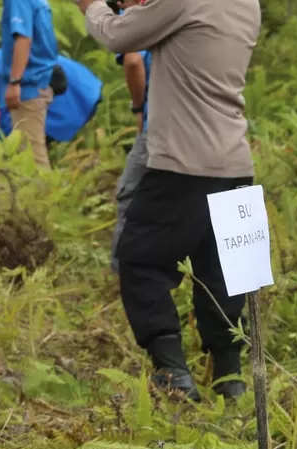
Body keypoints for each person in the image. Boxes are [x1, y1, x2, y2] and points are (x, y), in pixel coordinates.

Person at [77, 0, 261, 402]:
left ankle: (172, 373)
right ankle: (230, 377)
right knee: (223, 274)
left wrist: (91, 6)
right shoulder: (248, 4)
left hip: (183, 163)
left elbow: (118, 36)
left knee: (142, 261)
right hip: (234, 161)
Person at [0, 43, 104, 146]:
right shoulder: (6, 55)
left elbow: (10, 120)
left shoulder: (2, 70)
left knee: (22, 141)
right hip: (87, 89)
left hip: (74, 100)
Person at [108, 0, 150, 273]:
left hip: (158, 125)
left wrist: (138, 107)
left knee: (130, 194)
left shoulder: (138, 13)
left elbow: (133, 60)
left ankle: (122, 271)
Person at [0, 0, 59, 169]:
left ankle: (46, 195)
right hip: (40, 81)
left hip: (28, 85)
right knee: (29, 152)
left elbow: (23, 38)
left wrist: (14, 81)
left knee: (32, 159)